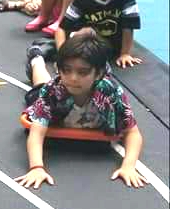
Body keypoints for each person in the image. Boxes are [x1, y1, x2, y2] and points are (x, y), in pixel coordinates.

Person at [17, 33, 146, 189]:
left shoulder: (111, 93)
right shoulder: (53, 91)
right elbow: (36, 132)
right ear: (59, 69)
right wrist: (36, 167)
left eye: (82, 72)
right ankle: (36, 58)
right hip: (54, 100)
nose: (73, 78)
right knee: (41, 84)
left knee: (49, 83)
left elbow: (133, 133)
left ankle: (63, 49)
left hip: (93, 91)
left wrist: (128, 166)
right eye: (66, 70)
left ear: (98, 73)